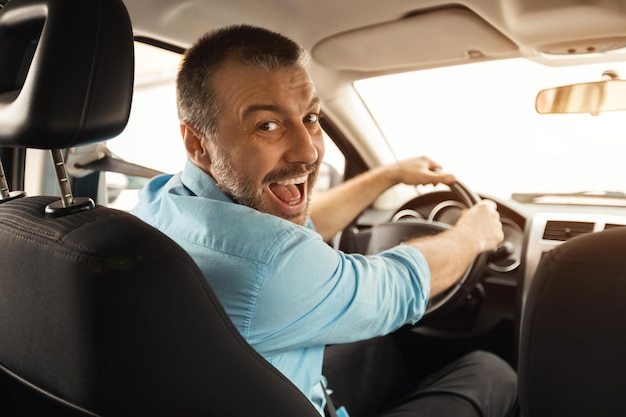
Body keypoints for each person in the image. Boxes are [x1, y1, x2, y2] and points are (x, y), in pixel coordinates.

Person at [131, 24, 518, 417]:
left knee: (380, 347)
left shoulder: (160, 200)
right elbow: (393, 288)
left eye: (311, 117)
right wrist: (471, 236)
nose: (309, 152)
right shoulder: (267, 265)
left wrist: (388, 175)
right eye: (267, 125)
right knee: (491, 372)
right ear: (199, 144)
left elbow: (285, 230)